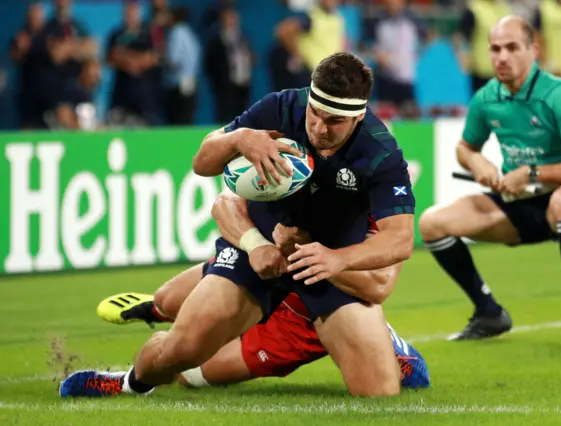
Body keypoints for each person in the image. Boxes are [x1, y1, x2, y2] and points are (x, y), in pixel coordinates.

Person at [59, 52, 416, 398]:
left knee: (379, 392)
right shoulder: (282, 107)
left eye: (333, 122)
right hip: (256, 249)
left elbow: (399, 241)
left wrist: (338, 260)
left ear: (357, 117)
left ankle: (384, 342)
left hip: (323, 266)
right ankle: (129, 383)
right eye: (315, 115)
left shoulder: (380, 154)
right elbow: (203, 163)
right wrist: (238, 139)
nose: (320, 129)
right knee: (185, 349)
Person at [97, 193, 430, 389]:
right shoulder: (297, 159)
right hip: (266, 267)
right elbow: (226, 201)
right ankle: (162, 311)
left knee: (190, 375)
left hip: (305, 315)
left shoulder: (383, 204)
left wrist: (310, 249)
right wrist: (255, 243)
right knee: (167, 299)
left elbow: (378, 282)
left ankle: (381, 340)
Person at [418, 16, 561, 346]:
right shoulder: (486, 97)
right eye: (495, 49)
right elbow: (465, 147)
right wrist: (478, 162)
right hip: (516, 204)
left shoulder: (558, 94)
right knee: (431, 223)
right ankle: (489, 312)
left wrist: (532, 173)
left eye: (512, 48)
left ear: (534, 50)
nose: (502, 57)